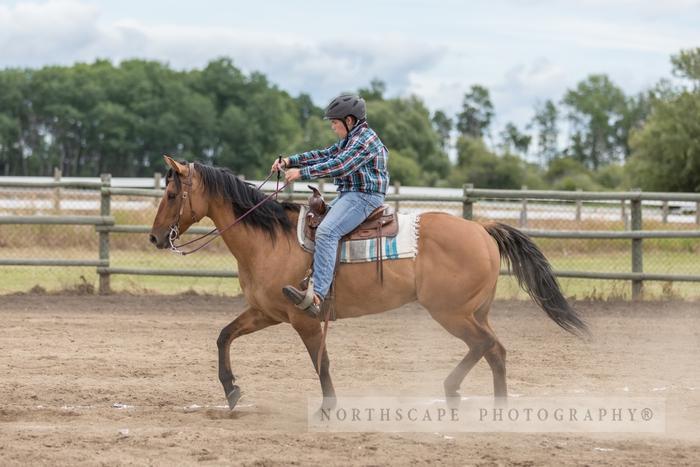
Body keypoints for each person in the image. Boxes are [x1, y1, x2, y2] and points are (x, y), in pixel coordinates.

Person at [271, 93, 389, 318]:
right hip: (350, 195)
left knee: (326, 232)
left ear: (350, 121)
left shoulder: (365, 141)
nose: (333, 128)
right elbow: (324, 155)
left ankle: (318, 297)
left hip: (364, 197)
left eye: (335, 123)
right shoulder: (351, 139)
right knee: (312, 224)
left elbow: (340, 166)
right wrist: (289, 161)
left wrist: (301, 173)